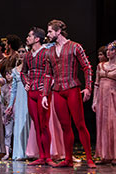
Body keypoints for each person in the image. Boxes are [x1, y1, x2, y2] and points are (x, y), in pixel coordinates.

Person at [42, 19, 96, 168]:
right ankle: (68, 159)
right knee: (65, 126)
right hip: (58, 91)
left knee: (79, 124)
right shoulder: (49, 51)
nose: (48, 34)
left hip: (72, 88)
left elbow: (87, 67)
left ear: (58, 31)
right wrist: (45, 95)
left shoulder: (75, 47)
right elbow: (48, 75)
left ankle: (89, 158)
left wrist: (88, 88)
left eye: (50, 31)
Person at [21, 27, 56, 166]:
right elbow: (23, 72)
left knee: (44, 125)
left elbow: (51, 72)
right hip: (32, 92)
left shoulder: (47, 53)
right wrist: (26, 83)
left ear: (37, 39)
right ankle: (41, 156)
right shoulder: (28, 55)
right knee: (36, 124)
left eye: (30, 36)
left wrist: (47, 88)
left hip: (43, 92)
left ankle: (48, 157)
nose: (27, 38)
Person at [92, 41, 116, 164]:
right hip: (102, 99)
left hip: (114, 99)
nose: (108, 52)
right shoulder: (100, 66)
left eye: (111, 50)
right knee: (102, 125)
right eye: (107, 50)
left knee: (114, 125)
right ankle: (104, 155)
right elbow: (96, 84)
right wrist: (95, 101)